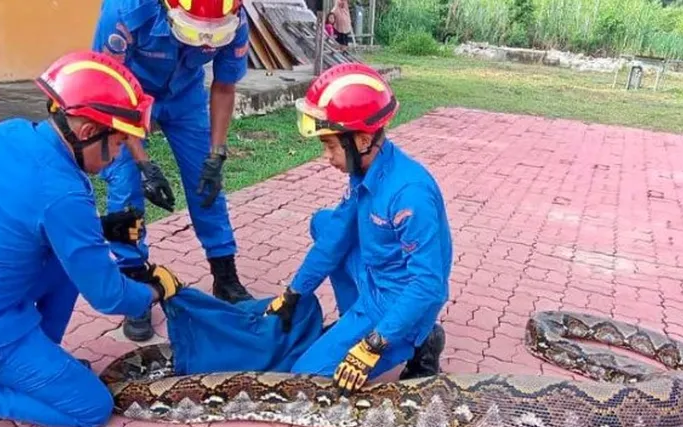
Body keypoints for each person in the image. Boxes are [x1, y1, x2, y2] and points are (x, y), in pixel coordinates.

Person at [0, 50, 183, 427]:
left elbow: (12, 218)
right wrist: (155, 291)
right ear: (89, 132)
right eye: (120, 143)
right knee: (91, 407)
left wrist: (104, 228)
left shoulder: (9, 132)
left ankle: (37, 363)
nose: (119, 154)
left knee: (65, 263)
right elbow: (108, 298)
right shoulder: (64, 194)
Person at [265, 62, 451, 394]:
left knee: (306, 378)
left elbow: (429, 285)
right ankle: (355, 320)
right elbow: (336, 234)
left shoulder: (410, 195)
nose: (327, 156)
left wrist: (373, 344)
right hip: (376, 277)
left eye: (331, 146)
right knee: (324, 224)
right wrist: (294, 293)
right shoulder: (364, 171)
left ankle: (418, 341)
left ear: (363, 139)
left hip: (397, 300)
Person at [92, 0, 256, 342]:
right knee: (126, 187)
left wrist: (217, 154)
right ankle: (134, 283)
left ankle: (224, 273)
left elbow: (224, 86)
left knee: (206, 182)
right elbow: (111, 91)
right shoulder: (124, 14)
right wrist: (144, 163)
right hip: (127, 96)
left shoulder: (235, 16)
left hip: (185, 97)